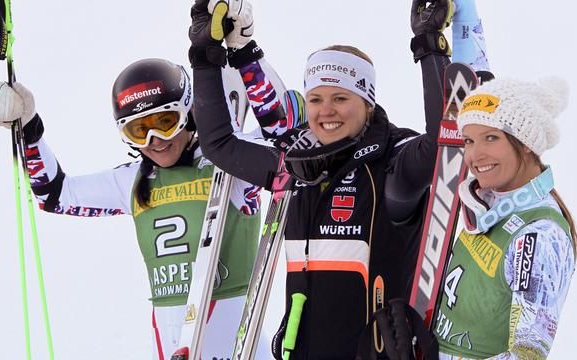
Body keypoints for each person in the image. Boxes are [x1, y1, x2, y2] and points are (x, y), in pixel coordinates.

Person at [186, 0, 489, 357]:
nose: (325, 111)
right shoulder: (296, 167)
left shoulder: (393, 161)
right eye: (315, 99)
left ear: (368, 103)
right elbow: (219, 145)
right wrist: (204, 55)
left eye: (340, 98)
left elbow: (448, 141)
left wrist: (428, 44)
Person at [0, 59, 262, 360]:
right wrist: (29, 127)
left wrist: (248, 57)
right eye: (138, 130)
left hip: (239, 341)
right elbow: (54, 194)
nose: (154, 140)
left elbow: (281, 137)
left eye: (164, 122)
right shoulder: (132, 180)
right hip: (173, 341)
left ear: (187, 114)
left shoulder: (233, 165)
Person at [431, 77, 577, 359]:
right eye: (469, 141)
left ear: (525, 144)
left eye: (491, 138)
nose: (475, 155)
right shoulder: (488, 210)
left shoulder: (538, 234)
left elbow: (527, 354)